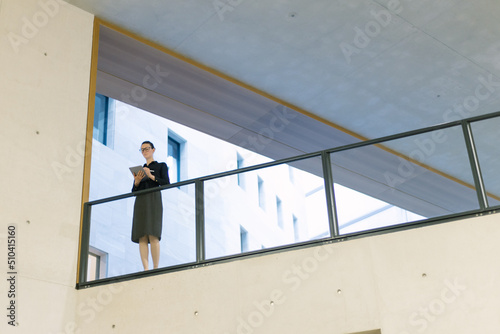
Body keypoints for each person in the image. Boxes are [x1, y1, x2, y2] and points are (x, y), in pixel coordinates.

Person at [131, 141, 170, 270]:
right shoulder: (140, 170)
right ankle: (146, 268)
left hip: (154, 199)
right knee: (142, 235)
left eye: (147, 149)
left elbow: (166, 183)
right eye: (142, 150)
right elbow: (133, 192)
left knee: (153, 233)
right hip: (141, 201)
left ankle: (156, 267)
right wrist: (136, 181)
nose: (144, 151)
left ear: (153, 150)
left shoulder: (161, 166)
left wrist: (151, 176)